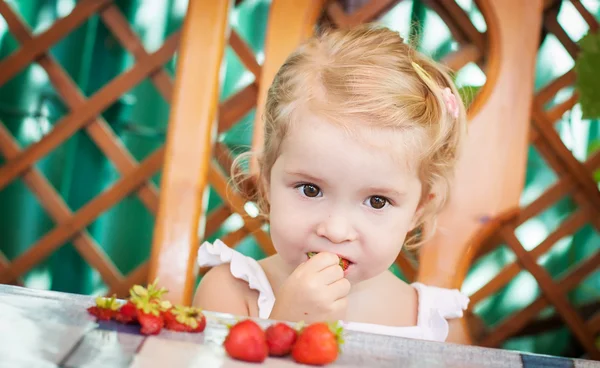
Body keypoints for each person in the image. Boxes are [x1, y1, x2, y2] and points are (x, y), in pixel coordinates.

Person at [193, 24, 469, 342]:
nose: (336, 231)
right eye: (311, 190)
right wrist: (284, 327)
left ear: (418, 210)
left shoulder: (438, 323)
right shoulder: (232, 292)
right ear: (267, 182)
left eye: (377, 201)